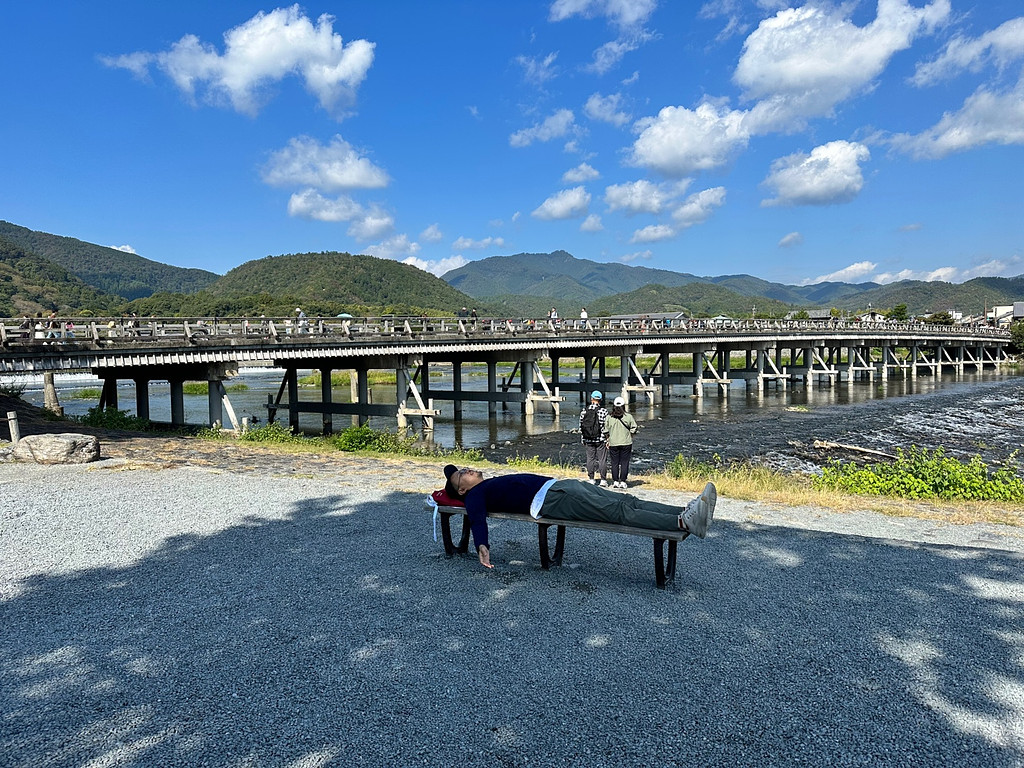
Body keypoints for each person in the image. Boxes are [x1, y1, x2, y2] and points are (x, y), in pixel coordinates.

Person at [448, 467, 717, 568]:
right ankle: (682, 523)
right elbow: (477, 519)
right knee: (618, 512)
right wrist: (482, 546)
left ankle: (685, 512)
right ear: (462, 488)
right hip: (556, 500)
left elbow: (449, 471)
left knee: (627, 500)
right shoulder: (474, 495)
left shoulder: (481, 485)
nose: (467, 469)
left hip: (560, 487)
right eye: (463, 474)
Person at [606, 396, 638, 488]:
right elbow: (634, 427)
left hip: (613, 443)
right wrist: (630, 434)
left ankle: (615, 481)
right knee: (625, 462)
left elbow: (605, 430)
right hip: (626, 442)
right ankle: (623, 481)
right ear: (624, 406)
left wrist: (608, 439)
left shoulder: (609, 417)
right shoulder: (628, 416)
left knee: (614, 462)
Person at [579, 390, 609, 486]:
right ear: (600, 400)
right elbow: (606, 427)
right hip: (600, 439)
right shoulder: (603, 411)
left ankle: (591, 479)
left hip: (588, 439)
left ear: (591, 398)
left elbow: (581, 426)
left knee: (590, 459)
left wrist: (583, 439)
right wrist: (607, 439)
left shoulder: (584, 411)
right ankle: (603, 480)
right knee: (602, 459)